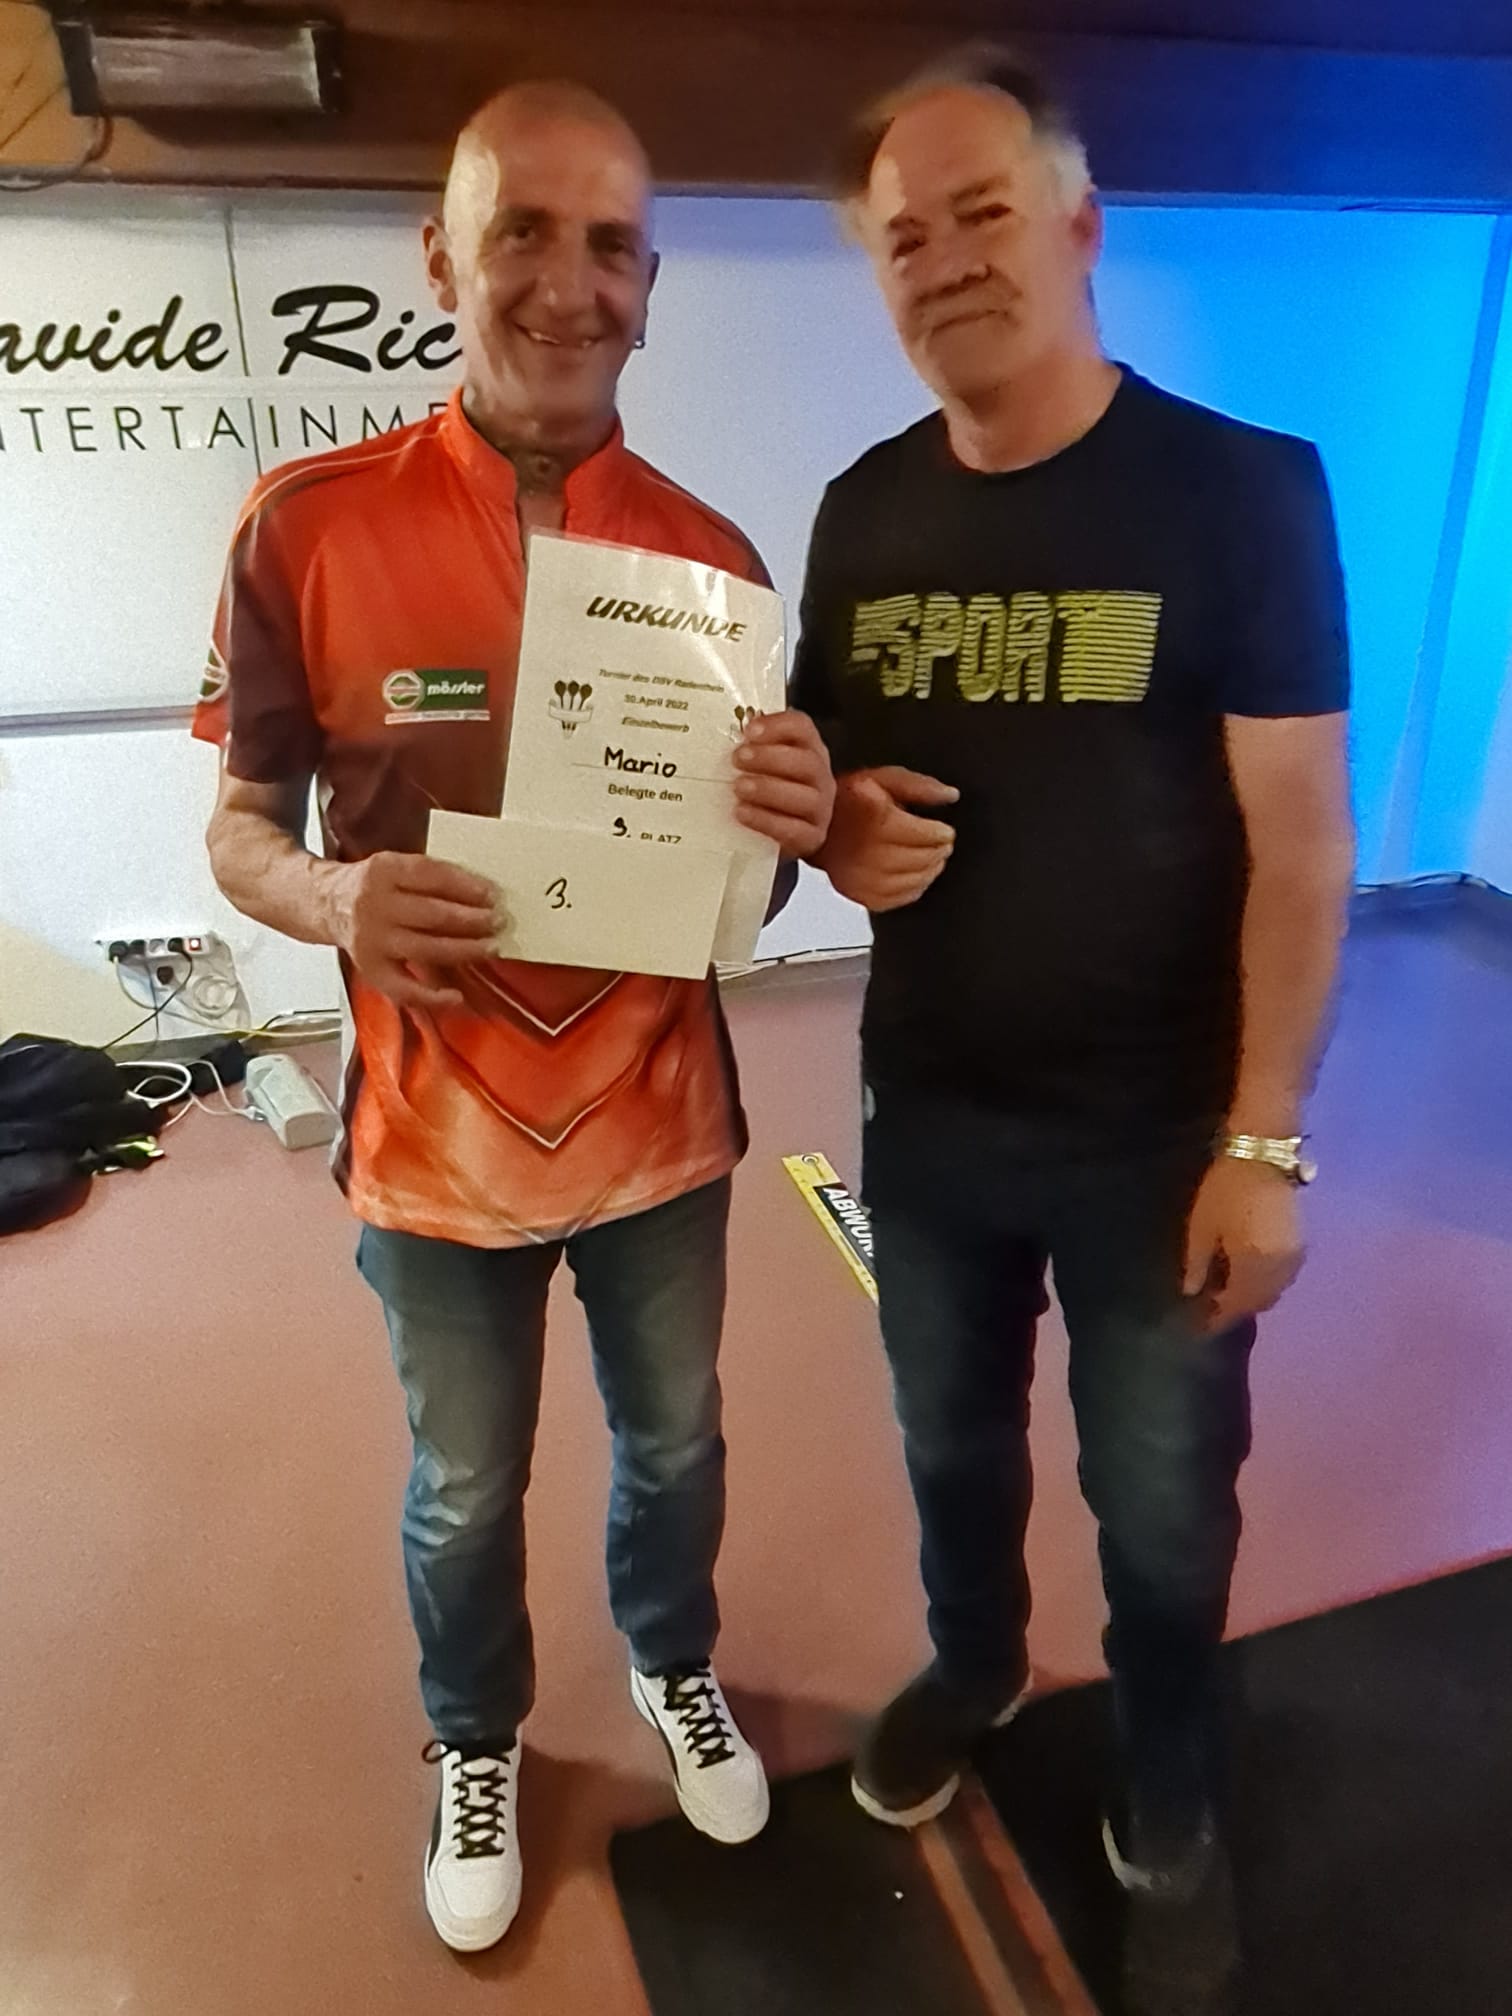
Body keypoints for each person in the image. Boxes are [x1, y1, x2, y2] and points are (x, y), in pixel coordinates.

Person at [197, 82, 834, 1955]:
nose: (570, 283)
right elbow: (240, 828)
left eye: (612, 244)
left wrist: (795, 830)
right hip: (430, 1140)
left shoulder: (714, 563)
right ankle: (476, 1736)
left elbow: (747, 903)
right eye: (524, 234)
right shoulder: (304, 525)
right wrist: (333, 897)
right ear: (440, 261)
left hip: (662, 1128)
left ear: (653, 283)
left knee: (680, 1448)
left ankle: (672, 1663)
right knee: (465, 1487)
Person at [794, 48, 1353, 2016]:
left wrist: (1263, 1138)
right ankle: (974, 1669)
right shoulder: (863, 511)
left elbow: (1303, 841)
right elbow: (824, 787)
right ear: (878, 272)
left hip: (1160, 1138)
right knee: (950, 1450)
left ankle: (1170, 1795)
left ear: (1081, 226)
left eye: (986, 212)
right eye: (905, 236)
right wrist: (832, 830)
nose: (948, 259)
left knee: (1165, 1508)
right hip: (934, 1119)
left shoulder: (1243, 491)